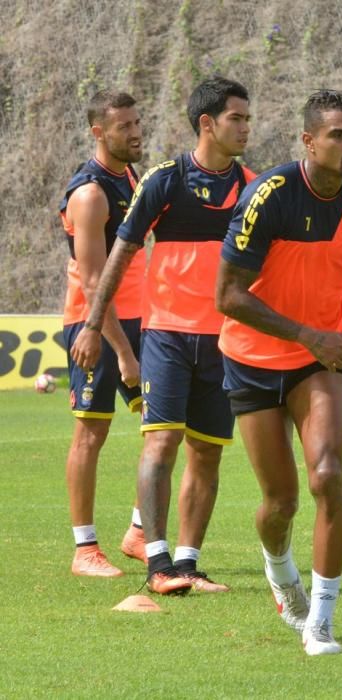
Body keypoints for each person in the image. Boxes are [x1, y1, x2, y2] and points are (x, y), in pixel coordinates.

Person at [215, 88, 342, 655]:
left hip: (321, 357)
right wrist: (307, 332)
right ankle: (280, 569)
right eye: (339, 135)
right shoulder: (269, 195)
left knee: (327, 475)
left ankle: (321, 621)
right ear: (309, 141)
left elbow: (337, 264)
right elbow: (228, 296)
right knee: (279, 503)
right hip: (253, 358)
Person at [71, 77, 255, 595]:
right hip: (167, 337)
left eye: (247, 118)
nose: (246, 127)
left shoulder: (253, 186)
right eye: (236, 118)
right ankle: (157, 563)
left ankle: (190, 563)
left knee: (209, 451)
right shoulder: (164, 180)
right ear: (207, 124)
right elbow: (119, 256)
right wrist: (92, 324)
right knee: (161, 443)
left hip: (225, 341)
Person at [61, 89, 145, 577]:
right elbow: (93, 280)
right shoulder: (90, 193)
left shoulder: (131, 176)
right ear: (99, 132)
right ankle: (84, 550)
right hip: (96, 327)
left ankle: (138, 532)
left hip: (140, 319)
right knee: (92, 431)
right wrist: (122, 351)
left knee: (166, 426)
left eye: (138, 123)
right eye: (125, 127)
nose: (136, 132)